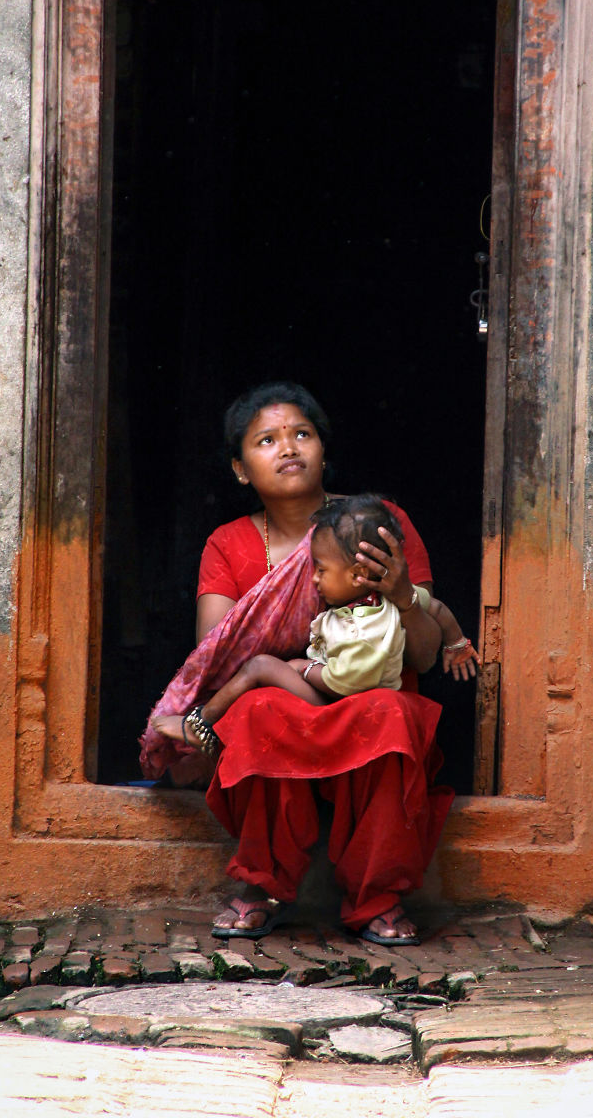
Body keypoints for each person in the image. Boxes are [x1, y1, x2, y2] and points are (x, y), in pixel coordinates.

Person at [139, 382, 480, 946]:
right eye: (266, 440)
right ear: (241, 470)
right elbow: (218, 657)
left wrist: (399, 594)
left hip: (368, 701)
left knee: (393, 715)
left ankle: (377, 896)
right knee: (256, 711)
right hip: (290, 700)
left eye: (302, 433)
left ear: (324, 450)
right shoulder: (228, 544)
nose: (288, 447)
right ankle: (262, 883)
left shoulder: (379, 524)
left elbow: (422, 654)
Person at [149, 494, 477, 756]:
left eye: (320, 569)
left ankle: (201, 723)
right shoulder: (399, 598)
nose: (314, 580)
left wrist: (302, 668)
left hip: (339, 701)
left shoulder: (399, 597)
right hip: (355, 697)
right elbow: (439, 609)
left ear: (357, 575)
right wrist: (457, 642)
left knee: (260, 666)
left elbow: (342, 679)